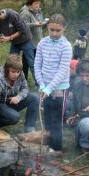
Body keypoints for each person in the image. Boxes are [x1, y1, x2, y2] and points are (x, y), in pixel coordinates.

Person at [34, 14, 72, 153]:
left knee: (56, 119)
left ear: (64, 29)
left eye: (58, 30)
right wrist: (42, 84)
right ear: (47, 28)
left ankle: (57, 148)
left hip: (59, 88)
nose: (54, 33)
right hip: (45, 86)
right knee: (47, 116)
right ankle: (48, 143)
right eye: (51, 30)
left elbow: (63, 70)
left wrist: (49, 88)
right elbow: (37, 65)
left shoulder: (66, 46)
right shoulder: (42, 43)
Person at [0, 54, 39, 138]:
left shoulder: (20, 74)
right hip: (0, 104)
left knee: (34, 97)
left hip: (12, 100)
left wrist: (18, 97)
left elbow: (25, 89)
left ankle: (29, 128)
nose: (16, 75)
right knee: (15, 117)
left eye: (18, 72)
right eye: (13, 72)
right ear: (7, 70)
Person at [0, 7, 36, 83]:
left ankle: (39, 85)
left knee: (31, 63)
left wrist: (9, 37)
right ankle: (11, 82)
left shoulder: (13, 15)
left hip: (25, 40)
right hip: (15, 43)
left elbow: (22, 30)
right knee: (10, 63)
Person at [19, 0, 46, 80]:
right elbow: (21, 25)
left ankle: (37, 80)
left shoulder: (38, 11)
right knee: (27, 63)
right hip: (29, 42)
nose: (38, 5)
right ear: (30, 4)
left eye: (38, 3)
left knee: (37, 62)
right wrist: (35, 25)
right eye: (35, 3)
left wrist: (44, 23)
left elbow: (39, 22)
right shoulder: (25, 13)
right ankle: (24, 80)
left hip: (38, 41)